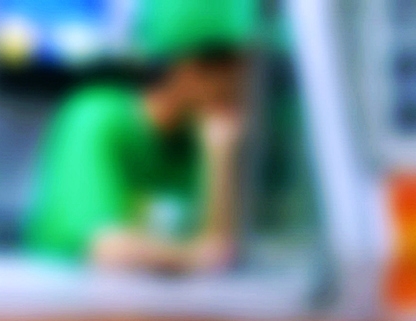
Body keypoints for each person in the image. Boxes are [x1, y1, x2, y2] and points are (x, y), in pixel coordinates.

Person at [26, 0, 255, 274]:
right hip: (58, 312)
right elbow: (107, 250)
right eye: (229, 63)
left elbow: (219, 255)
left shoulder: (199, 141)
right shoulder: (96, 117)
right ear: (185, 66)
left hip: (149, 313)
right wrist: (195, 256)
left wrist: (220, 156)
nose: (241, 79)